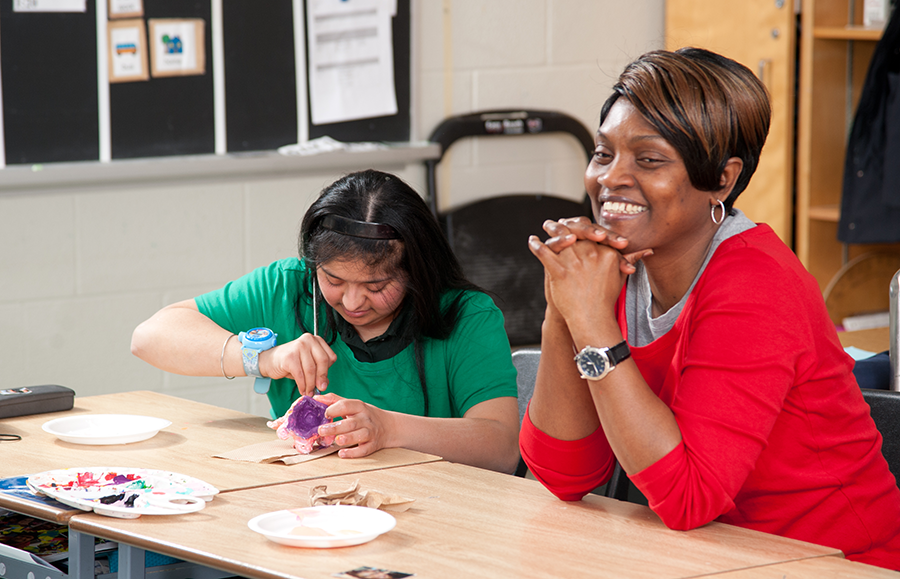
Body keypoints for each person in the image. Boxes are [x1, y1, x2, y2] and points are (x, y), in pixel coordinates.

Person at [521, 48, 900, 569]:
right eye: (603, 153)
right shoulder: (612, 267)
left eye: (649, 160)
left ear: (722, 179)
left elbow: (687, 498)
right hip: (704, 556)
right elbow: (564, 475)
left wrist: (588, 319)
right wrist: (563, 307)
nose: (610, 178)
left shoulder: (756, 283)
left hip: (834, 562)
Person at [131, 169, 520, 473]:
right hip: (307, 503)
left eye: (377, 284)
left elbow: (501, 447)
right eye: (333, 280)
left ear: (417, 271)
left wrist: (389, 429)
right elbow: (150, 337)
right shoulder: (287, 287)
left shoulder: (467, 315)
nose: (352, 301)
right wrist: (263, 359)